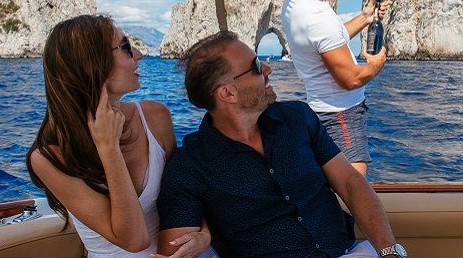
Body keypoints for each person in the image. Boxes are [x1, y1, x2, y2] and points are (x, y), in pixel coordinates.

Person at [156, 31, 407, 258]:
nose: (268, 69)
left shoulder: (298, 118)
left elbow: (351, 184)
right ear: (227, 94)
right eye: (255, 66)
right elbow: (174, 251)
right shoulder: (190, 166)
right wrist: (206, 233)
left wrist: (389, 252)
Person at [26, 15, 216, 258]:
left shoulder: (155, 117)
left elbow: (187, 192)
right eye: (125, 47)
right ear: (90, 64)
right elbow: (134, 240)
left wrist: (206, 233)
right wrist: (109, 148)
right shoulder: (49, 157)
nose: (139, 54)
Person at [281, 0, 392, 176]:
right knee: (354, 190)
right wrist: (377, 63)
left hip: (323, 110)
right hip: (341, 115)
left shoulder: (292, 4)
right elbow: (350, 79)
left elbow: (331, 40)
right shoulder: (317, 16)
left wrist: (365, 17)